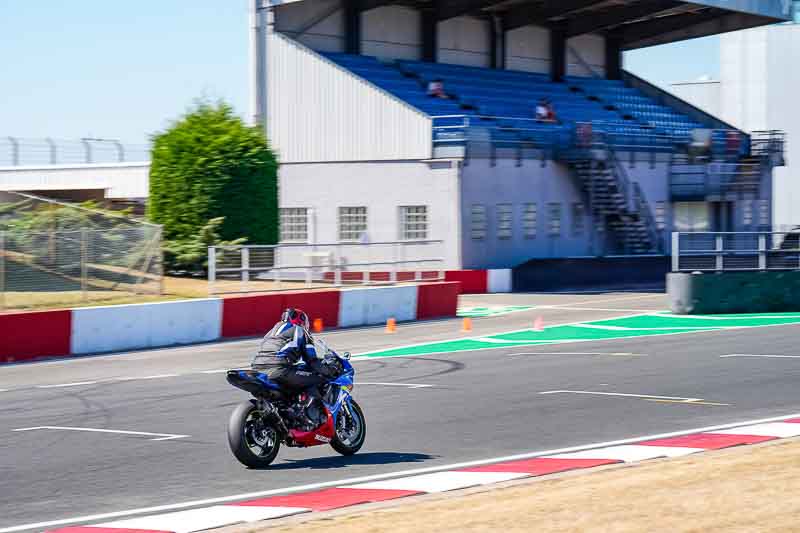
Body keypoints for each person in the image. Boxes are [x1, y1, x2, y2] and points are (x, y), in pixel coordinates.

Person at [252, 308, 336, 403]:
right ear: (301, 320)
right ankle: (314, 414)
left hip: (257, 369)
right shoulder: (300, 330)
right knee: (321, 379)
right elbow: (312, 361)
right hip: (279, 369)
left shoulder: (270, 333)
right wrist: (328, 371)